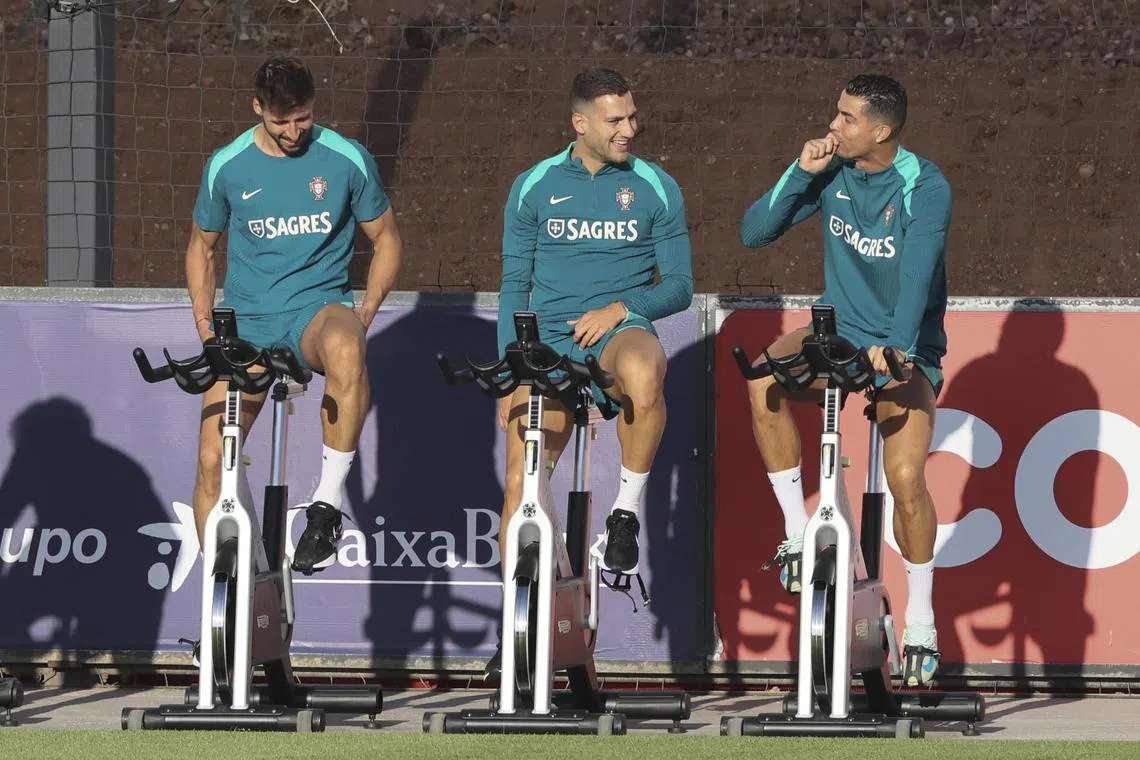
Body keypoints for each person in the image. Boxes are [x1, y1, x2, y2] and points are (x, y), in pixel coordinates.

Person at [739, 74, 952, 687]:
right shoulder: (829, 169)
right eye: (836, 113)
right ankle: (796, 536)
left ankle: (921, 623)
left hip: (905, 345)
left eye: (847, 118)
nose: (834, 126)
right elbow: (754, 233)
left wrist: (901, 349)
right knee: (762, 378)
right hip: (839, 330)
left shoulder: (924, 185)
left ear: (882, 130)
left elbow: (917, 275)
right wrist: (799, 170)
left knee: (907, 476)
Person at [485, 67, 693, 677]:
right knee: (523, 492)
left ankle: (624, 514)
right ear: (580, 124)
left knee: (644, 369)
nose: (631, 128)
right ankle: (523, 628)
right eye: (616, 120)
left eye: (632, 116)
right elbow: (511, 287)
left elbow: (680, 285)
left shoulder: (656, 185)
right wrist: (509, 372)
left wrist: (624, 308)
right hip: (547, 345)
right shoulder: (533, 187)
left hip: (617, 330)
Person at [187, 56, 402, 576]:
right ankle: (225, 603)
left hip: (315, 313)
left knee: (348, 343)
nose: (292, 131)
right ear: (257, 108)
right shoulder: (228, 164)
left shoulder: (345, 158)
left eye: (302, 117)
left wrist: (365, 310)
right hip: (249, 323)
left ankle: (326, 507)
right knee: (212, 463)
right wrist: (204, 325)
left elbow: (387, 238)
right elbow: (201, 247)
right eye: (281, 121)